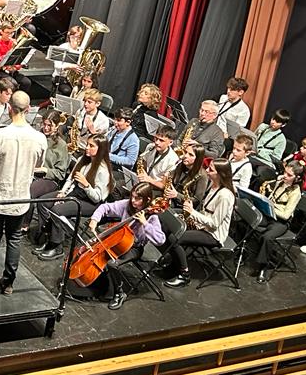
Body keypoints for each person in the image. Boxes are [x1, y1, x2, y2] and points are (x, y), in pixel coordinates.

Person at [0, 91, 46, 295]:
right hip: (20, 198)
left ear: (9, 108)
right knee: (14, 239)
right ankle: (8, 283)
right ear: (29, 109)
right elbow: (39, 164)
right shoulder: (39, 138)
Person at [87, 183, 166, 310]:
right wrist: (94, 220)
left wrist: (145, 223)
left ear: (147, 200)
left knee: (112, 264)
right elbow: (105, 207)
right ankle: (100, 283)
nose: (133, 201)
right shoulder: (127, 205)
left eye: (137, 198)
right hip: (119, 240)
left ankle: (119, 293)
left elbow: (160, 240)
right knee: (101, 254)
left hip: (135, 248)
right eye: (132, 196)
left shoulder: (152, 217)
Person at [36, 135, 113, 261]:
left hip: (90, 202)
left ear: (100, 149)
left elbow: (97, 198)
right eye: (87, 144)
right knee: (43, 202)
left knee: (57, 211)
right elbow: (70, 179)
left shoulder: (103, 171)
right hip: (76, 193)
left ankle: (56, 246)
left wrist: (86, 185)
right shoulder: (83, 160)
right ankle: (47, 237)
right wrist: (63, 192)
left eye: (91, 146)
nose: (87, 148)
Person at [164, 158, 236, 288]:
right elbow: (206, 211)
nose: (207, 171)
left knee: (175, 238)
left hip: (213, 235)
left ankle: (184, 275)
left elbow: (214, 224)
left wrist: (192, 213)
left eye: (211, 169)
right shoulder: (213, 185)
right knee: (170, 222)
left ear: (220, 174)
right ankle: (175, 265)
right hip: (203, 226)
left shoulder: (225, 196)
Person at [23, 110, 72, 237]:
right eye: (44, 124)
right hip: (31, 173)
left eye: (50, 125)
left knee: (29, 191)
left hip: (49, 179)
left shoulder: (61, 145)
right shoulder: (36, 137)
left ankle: (24, 224)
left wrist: (45, 170)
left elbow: (61, 173)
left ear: (57, 126)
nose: (46, 128)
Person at [253, 161, 304, 283]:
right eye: (285, 172)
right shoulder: (280, 181)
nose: (285, 176)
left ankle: (263, 267)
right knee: (247, 220)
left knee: (267, 237)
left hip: (281, 221)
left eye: (289, 175)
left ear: (297, 178)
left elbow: (286, 215)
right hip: (269, 215)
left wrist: (270, 208)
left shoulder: (295, 192)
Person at [0, 23, 31, 93]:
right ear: (1, 31)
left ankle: (17, 98)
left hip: (10, 70)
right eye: (7, 32)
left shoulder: (13, 42)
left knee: (26, 82)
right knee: (13, 83)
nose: (10, 35)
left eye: (11, 33)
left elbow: (18, 59)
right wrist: (6, 57)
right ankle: (9, 98)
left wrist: (15, 68)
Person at [136, 125, 180, 190]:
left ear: (170, 142)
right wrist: (142, 174)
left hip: (156, 190)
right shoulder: (150, 147)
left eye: (161, 140)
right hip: (144, 183)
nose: (156, 142)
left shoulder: (173, 160)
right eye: (156, 138)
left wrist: (149, 180)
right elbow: (144, 166)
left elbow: (164, 186)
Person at [251, 108, 291, 177]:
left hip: (264, 162)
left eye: (277, 121)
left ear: (283, 125)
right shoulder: (262, 126)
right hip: (252, 155)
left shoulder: (282, 140)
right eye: (273, 119)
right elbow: (252, 139)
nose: (273, 122)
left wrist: (258, 152)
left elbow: (276, 159)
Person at [51, 25, 85, 97]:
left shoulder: (81, 50)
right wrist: (70, 67)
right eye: (73, 37)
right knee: (67, 91)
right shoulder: (62, 47)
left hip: (74, 80)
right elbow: (57, 66)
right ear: (69, 36)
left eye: (78, 37)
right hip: (60, 77)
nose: (75, 39)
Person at [106, 107, 140, 171]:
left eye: (118, 120)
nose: (115, 123)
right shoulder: (113, 130)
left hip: (118, 169)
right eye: (115, 119)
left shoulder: (133, 139)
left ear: (128, 122)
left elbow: (130, 161)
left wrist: (108, 155)